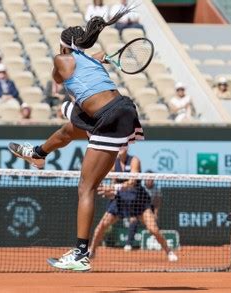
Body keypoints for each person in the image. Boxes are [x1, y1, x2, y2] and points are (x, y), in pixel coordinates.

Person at [8, 9, 144, 271]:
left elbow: (57, 79)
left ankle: (81, 253)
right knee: (69, 128)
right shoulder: (91, 60)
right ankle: (38, 153)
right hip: (122, 111)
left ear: (63, 44)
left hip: (109, 118)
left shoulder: (63, 59)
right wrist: (98, 57)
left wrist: (71, 55)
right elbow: (92, 59)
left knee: (86, 187)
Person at [88, 149, 177, 261]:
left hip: (138, 200)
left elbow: (132, 181)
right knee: (102, 226)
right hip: (120, 200)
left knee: (153, 229)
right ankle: (92, 251)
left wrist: (114, 188)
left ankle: (169, 251)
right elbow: (113, 185)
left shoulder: (134, 160)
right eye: (118, 146)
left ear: (127, 148)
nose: (120, 148)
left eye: (123, 146)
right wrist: (108, 191)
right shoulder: (113, 163)